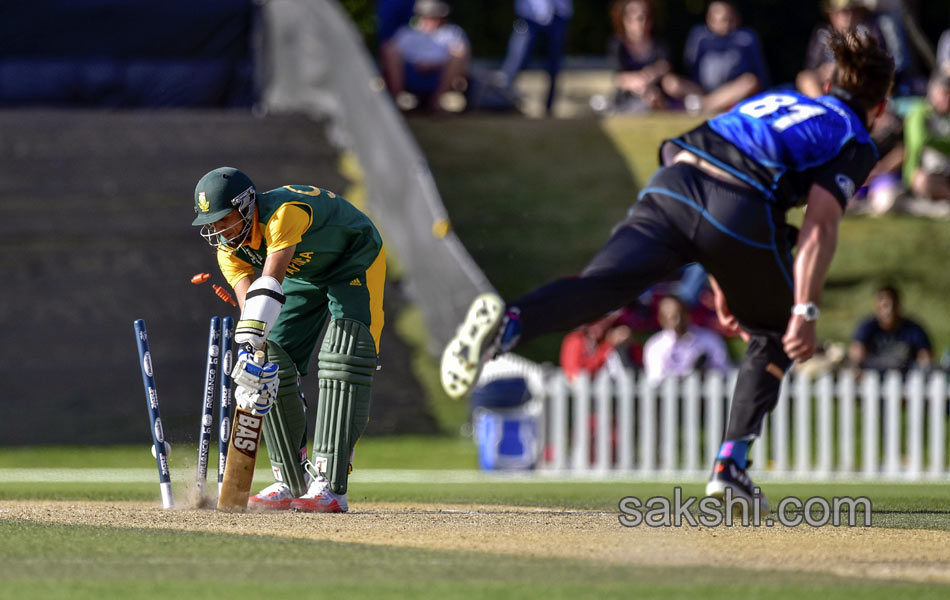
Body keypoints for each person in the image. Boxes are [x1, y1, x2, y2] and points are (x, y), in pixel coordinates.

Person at [442, 31, 894, 510]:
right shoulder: (854, 137)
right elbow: (820, 226)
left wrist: (725, 274)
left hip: (674, 181)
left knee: (601, 288)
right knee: (775, 331)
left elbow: (697, 153)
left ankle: (508, 324)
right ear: (881, 105)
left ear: (827, 81)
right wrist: (804, 308)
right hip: (736, 206)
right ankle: (730, 468)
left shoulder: (781, 99)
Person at [192, 167, 386, 513]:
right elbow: (251, 310)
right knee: (270, 359)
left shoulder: (283, 215)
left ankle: (329, 485)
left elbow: (269, 284)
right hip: (304, 274)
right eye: (213, 223)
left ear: (247, 205)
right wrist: (253, 359)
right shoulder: (228, 251)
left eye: (225, 219)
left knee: (343, 357)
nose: (219, 230)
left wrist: (252, 346)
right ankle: (292, 481)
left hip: (353, 257)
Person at [662, 0, 768, 115]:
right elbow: (689, 66)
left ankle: (704, 105)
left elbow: (759, 72)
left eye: (729, 19)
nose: (726, 24)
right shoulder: (699, 36)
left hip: (731, 91)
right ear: (709, 19)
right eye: (721, 19)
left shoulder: (746, 38)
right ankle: (710, 103)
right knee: (670, 82)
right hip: (701, 90)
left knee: (750, 81)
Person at [380, 0, 471, 112]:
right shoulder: (407, 33)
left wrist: (435, 65)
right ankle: (397, 98)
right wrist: (418, 65)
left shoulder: (452, 33)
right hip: (411, 72)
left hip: (440, 73)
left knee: (459, 52)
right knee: (389, 49)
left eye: (435, 16)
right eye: (428, 16)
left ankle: (437, 101)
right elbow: (394, 51)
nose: (431, 19)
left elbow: (460, 54)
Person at [499, 0, 573, 116]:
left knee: (554, 66)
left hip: (558, 17)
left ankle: (549, 108)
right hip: (528, 19)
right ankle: (503, 100)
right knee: (516, 60)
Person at [797, 0, 881, 99]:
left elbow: (879, 64)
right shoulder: (822, 34)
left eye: (852, 11)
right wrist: (823, 71)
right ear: (831, 14)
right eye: (842, 12)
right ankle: (825, 108)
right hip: (827, 85)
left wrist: (845, 68)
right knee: (805, 78)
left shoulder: (867, 32)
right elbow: (811, 66)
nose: (848, 16)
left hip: (858, 83)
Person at [642, 296, 730, 386]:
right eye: (672, 317)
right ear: (661, 319)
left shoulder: (710, 339)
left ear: (687, 313)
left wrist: (705, 373)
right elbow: (655, 379)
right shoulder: (654, 345)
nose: (678, 321)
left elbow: (723, 370)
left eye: (681, 313)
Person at [607, 0, 671, 113]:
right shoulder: (617, 45)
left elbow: (665, 66)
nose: (641, 22)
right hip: (629, 97)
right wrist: (641, 83)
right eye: (636, 17)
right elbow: (618, 77)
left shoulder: (658, 43)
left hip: (657, 93)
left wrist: (649, 75)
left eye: (644, 16)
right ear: (624, 19)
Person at [849, 285, 932, 372]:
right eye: (885, 306)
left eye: (893, 306)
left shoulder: (914, 330)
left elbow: (925, 357)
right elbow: (856, 355)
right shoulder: (867, 328)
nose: (889, 311)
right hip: (873, 379)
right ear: (877, 308)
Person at [902, 70, 950, 205]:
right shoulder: (920, 111)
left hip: (947, 172)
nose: (947, 98)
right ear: (934, 92)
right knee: (923, 180)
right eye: (944, 93)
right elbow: (920, 140)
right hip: (926, 173)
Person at [559, 312, 636, 382]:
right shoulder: (575, 340)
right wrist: (607, 345)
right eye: (597, 321)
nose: (601, 325)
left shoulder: (603, 341)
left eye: (605, 321)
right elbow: (574, 374)